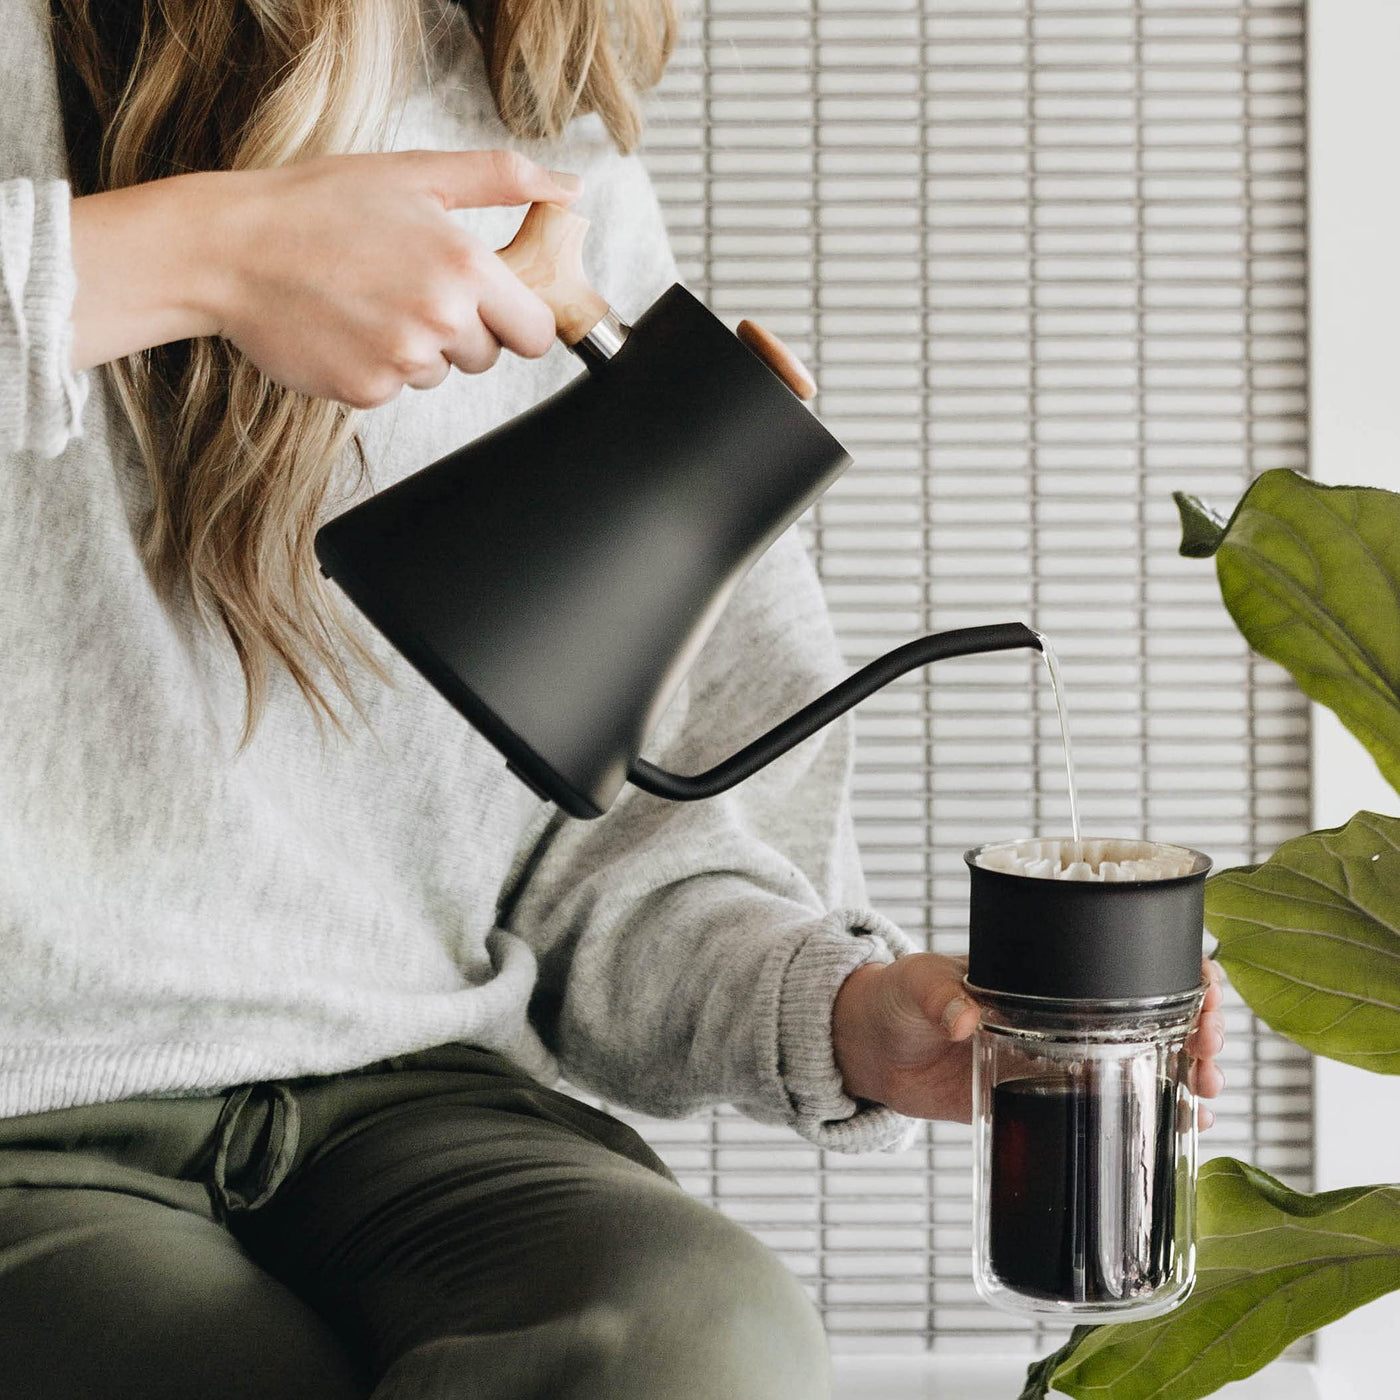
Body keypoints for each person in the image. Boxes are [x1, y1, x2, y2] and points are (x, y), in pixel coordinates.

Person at [0, 1, 1228, 1396]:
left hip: (409, 1096)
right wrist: (200, 254)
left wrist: (853, 1017)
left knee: (702, 1340)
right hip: (31, 1105)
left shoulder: (541, 143)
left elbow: (618, 846)